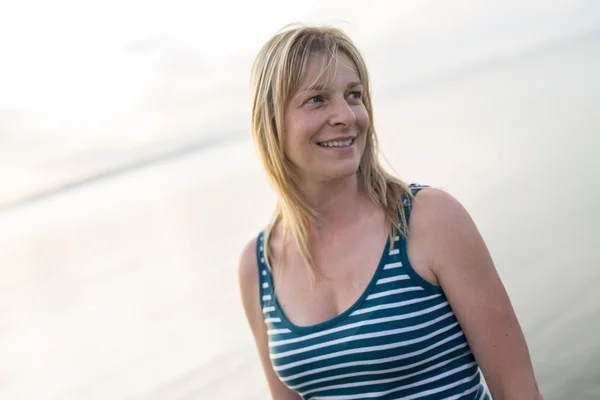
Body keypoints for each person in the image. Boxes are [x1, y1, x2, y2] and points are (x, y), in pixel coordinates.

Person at [238, 23, 543, 400]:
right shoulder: (258, 265)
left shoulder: (428, 220)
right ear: (270, 121)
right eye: (317, 99)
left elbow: (517, 389)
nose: (347, 115)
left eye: (354, 95)